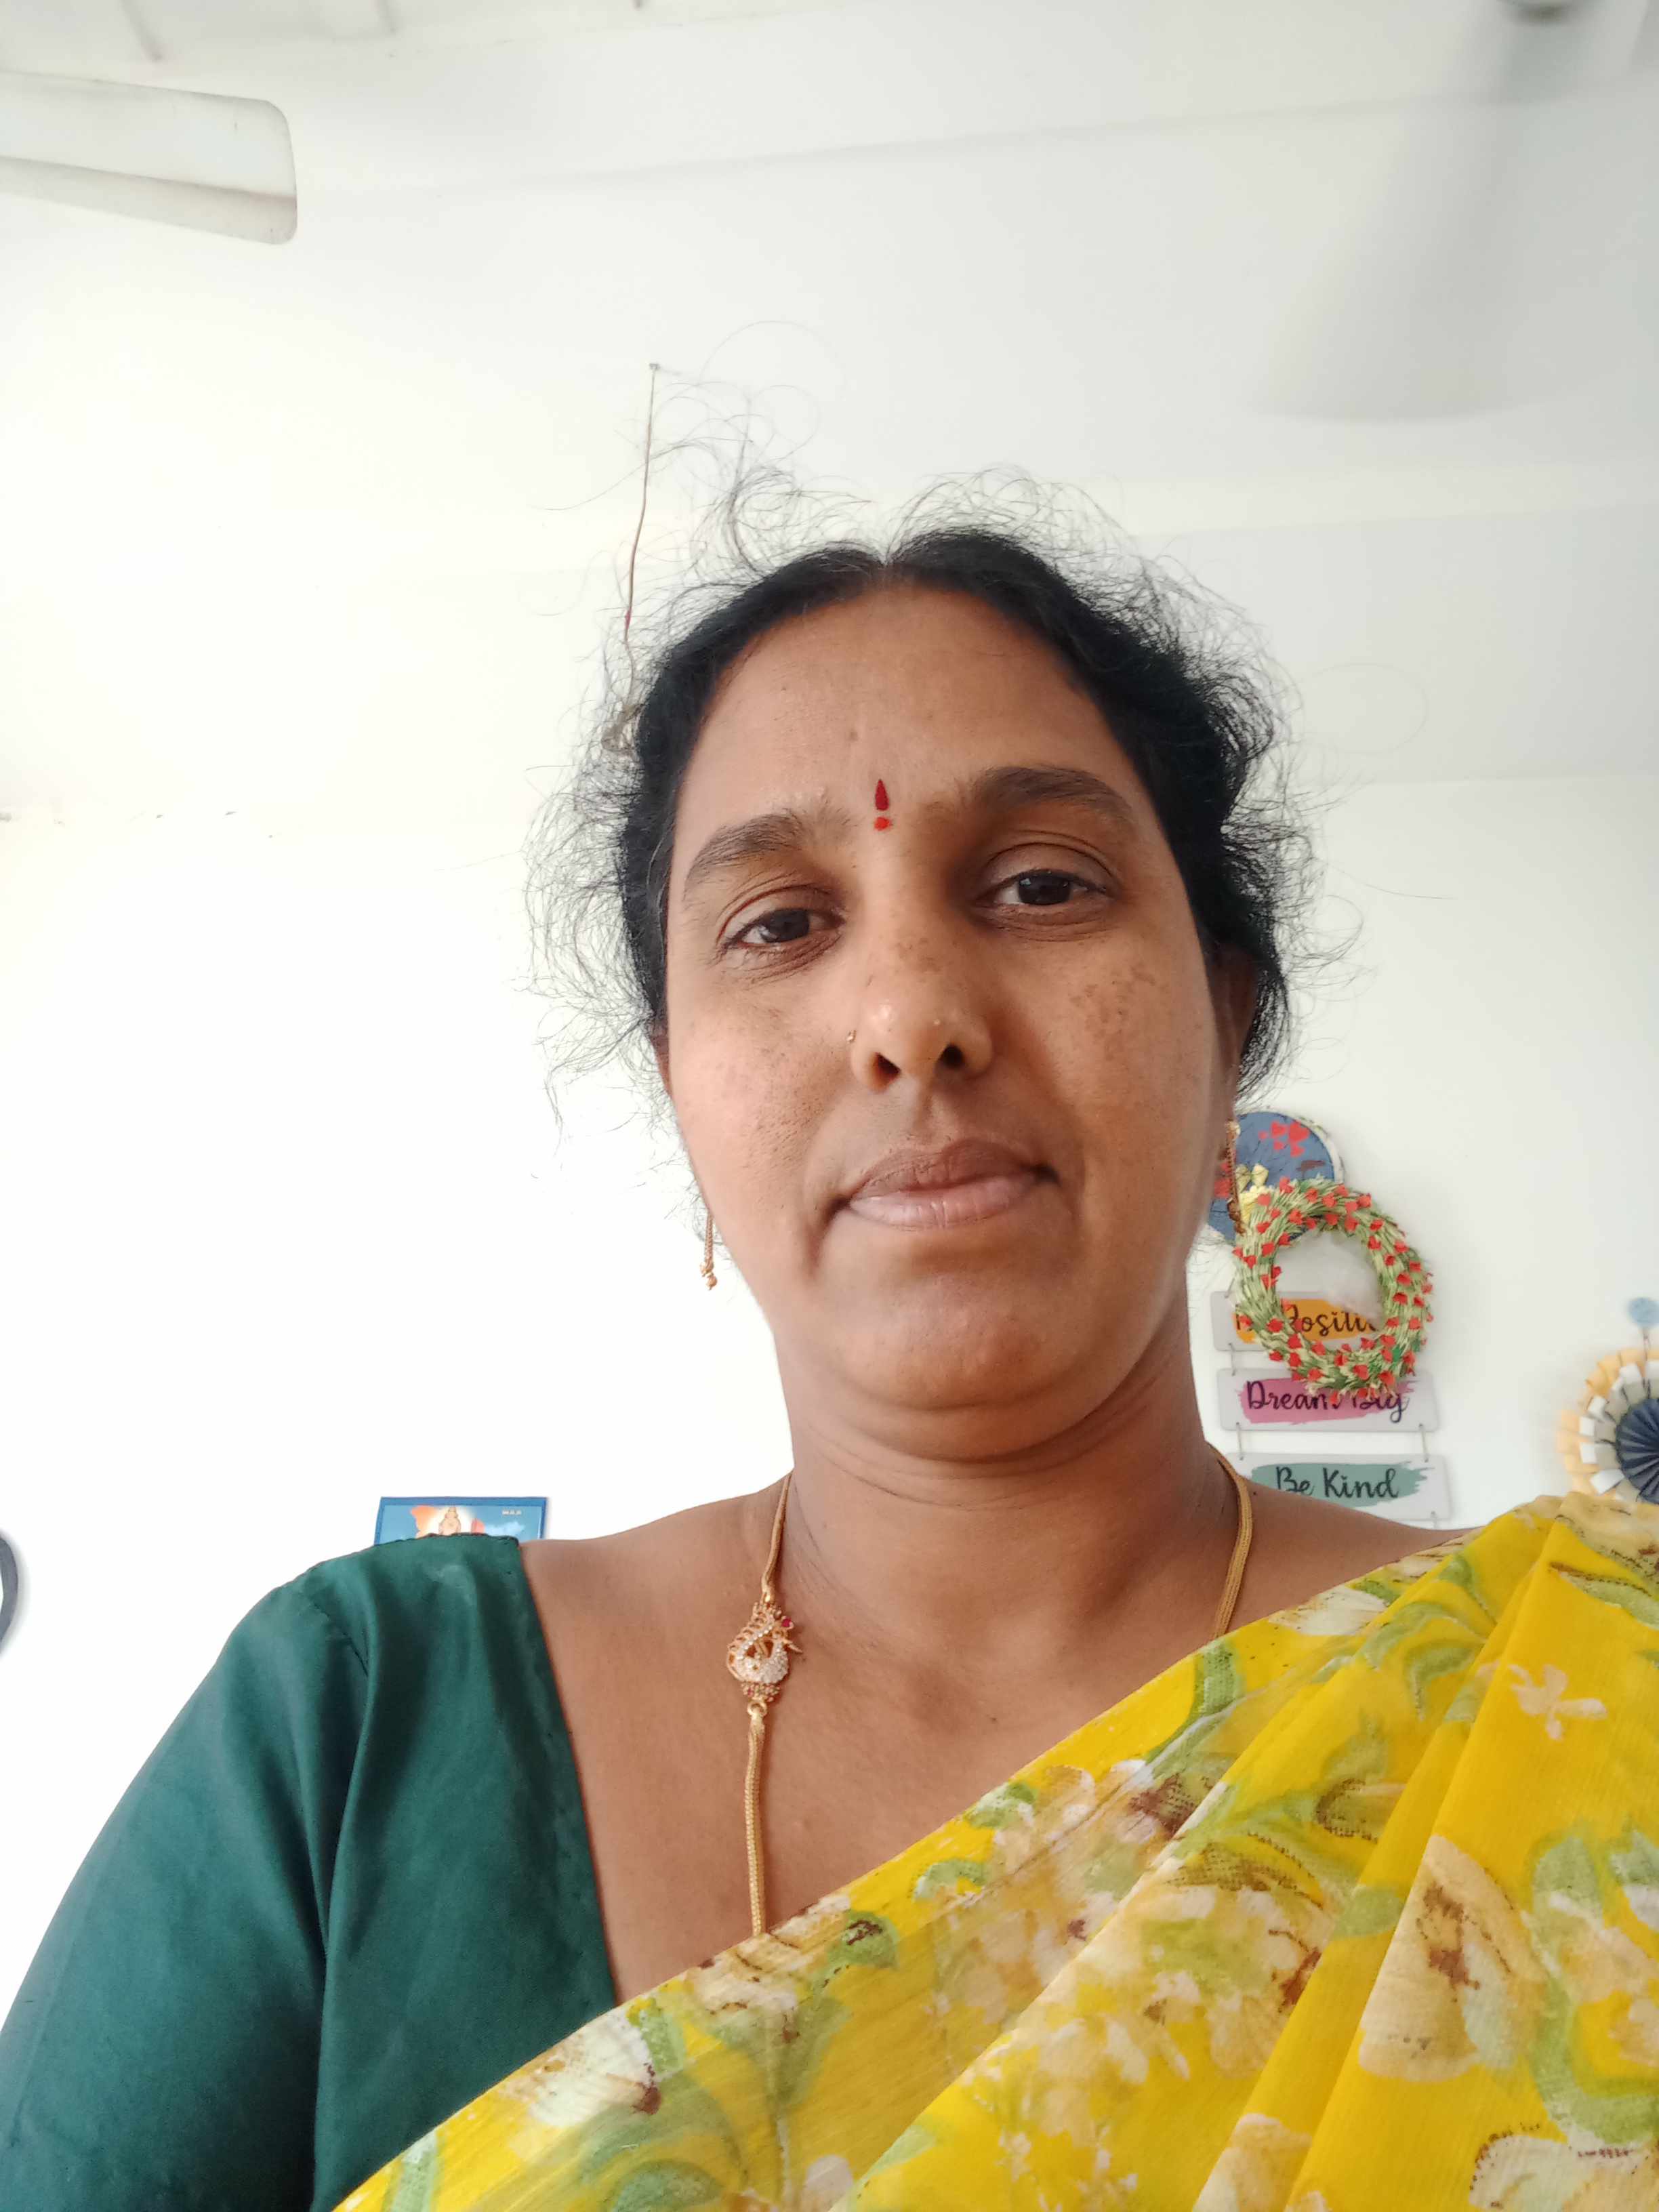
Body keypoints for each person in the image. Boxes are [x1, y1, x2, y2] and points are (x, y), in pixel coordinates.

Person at [3, 481, 1656, 2212]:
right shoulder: (362, 1728)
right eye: (780, 924)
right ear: (680, 1088)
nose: (912, 1017)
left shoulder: (1592, 1689)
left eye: (1040, 884)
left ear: (1227, 1022)